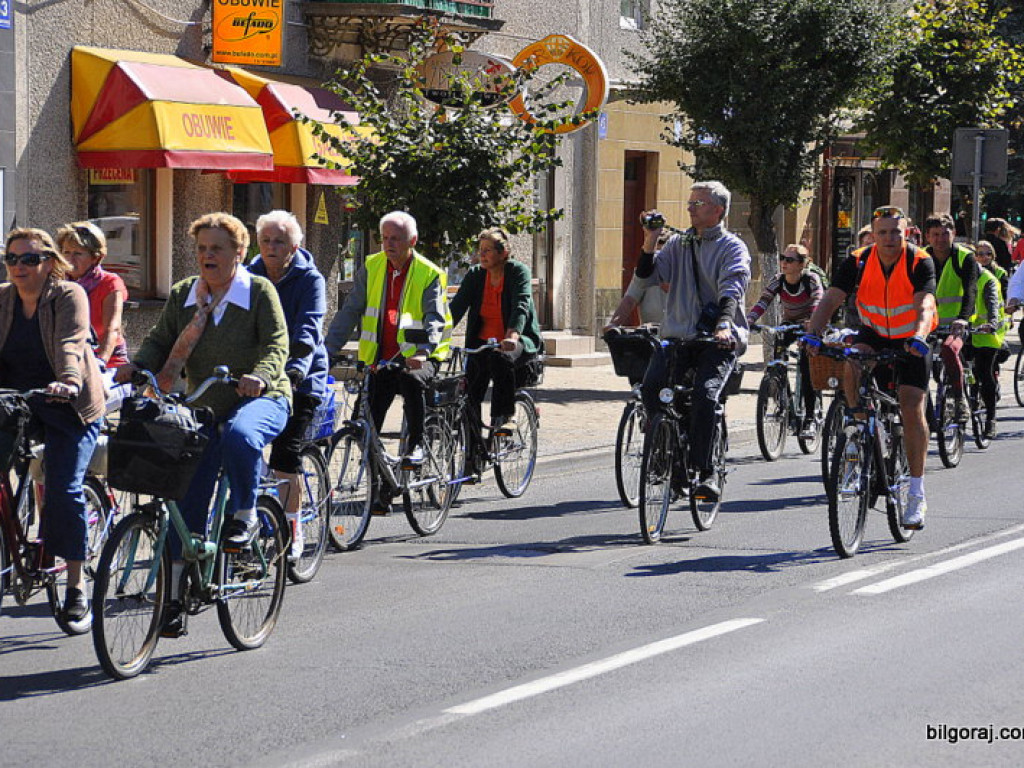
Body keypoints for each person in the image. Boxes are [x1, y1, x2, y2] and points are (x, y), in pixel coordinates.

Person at [115, 212, 290, 636]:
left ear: (239, 252)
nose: (207, 256)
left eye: (217, 249)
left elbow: (277, 344)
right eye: (201, 249)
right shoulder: (184, 294)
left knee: (241, 436)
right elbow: (160, 339)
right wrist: (137, 366)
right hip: (204, 405)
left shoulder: (258, 292)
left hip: (262, 397)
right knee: (184, 499)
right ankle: (174, 598)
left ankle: (245, 514)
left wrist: (260, 375)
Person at [804, 206, 937, 530]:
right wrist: (813, 333)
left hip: (911, 338)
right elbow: (831, 299)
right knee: (853, 361)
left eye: (896, 232)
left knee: (910, 406)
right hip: (874, 333)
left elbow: (925, 304)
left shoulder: (919, 261)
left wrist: (920, 336)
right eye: (883, 232)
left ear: (907, 233)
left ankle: (916, 493)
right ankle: (859, 430)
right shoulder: (858, 260)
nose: (890, 238)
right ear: (873, 235)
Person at [0, 228, 107, 621]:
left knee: (63, 489)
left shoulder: (67, 294)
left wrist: (69, 380)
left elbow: (70, 342)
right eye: (12, 259)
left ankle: (76, 585)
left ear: (48, 263)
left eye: (29, 259)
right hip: (17, 403)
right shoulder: (3, 298)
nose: (19, 266)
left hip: (67, 405)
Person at [622, 181, 751, 501]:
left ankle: (705, 473)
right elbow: (647, 276)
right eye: (690, 202)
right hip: (678, 336)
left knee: (705, 396)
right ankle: (668, 457)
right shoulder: (679, 244)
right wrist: (650, 240)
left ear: (717, 210)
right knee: (651, 389)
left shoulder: (732, 247)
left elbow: (731, 291)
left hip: (716, 340)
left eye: (698, 203)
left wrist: (724, 326)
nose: (690, 208)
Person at [325, 211, 452, 511]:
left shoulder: (428, 272)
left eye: (395, 238)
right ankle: (382, 487)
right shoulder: (372, 267)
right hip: (381, 360)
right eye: (384, 238)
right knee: (365, 424)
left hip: (420, 357)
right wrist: (326, 350)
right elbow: (350, 311)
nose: (388, 244)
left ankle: (416, 446)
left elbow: (434, 318)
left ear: (412, 241)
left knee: (411, 382)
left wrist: (423, 352)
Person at [248, 210, 328, 560]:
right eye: (265, 241)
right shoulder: (248, 276)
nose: (271, 247)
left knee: (285, 452)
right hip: (257, 376)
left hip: (302, 377)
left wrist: (295, 371)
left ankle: (293, 530)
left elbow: (308, 330)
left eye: (279, 241)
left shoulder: (310, 280)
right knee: (234, 442)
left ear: (294, 246)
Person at [449, 227, 544, 443]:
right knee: (470, 395)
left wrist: (512, 336)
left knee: (500, 358)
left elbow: (521, 305)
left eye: (488, 250)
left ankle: (506, 417)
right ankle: (473, 453)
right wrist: (435, 336)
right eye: (480, 250)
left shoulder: (517, 272)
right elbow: (456, 308)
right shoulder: (476, 275)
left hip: (516, 342)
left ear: (503, 253)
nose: (481, 255)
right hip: (482, 343)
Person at [745, 243, 823, 436]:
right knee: (778, 358)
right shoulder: (778, 280)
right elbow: (763, 301)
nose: (784, 263)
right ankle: (784, 401)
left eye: (789, 260)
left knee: (806, 367)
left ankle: (810, 418)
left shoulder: (811, 279)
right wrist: (750, 320)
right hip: (789, 324)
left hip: (809, 325)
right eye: (782, 258)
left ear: (801, 264)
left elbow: (818, 300)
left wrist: (812, 322)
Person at [923, 213, 978, 421]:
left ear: (953, 234)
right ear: (927, 236)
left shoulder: (964, 257)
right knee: (916, 360)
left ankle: (959, 398)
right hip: (927, 324)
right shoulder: (920, 257)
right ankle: (926, 413)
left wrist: (963, 318)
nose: (940, 239)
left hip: (956, 324)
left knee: (949, 349)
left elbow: (971, 290)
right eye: (935, 234)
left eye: (945, 234)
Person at [54, 221, 129, 368]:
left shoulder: (109, 283)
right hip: (67, 359)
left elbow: (112, 329)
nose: (70, 259)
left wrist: (100, 362)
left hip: (107, 362)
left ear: (95, 257)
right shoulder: (57, 283)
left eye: (78, 253)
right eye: (66, 252)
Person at [964, 247, 1006, 439]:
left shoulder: (987, 279)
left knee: (983, 372)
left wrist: (992, 323)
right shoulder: (957, 277)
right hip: (964, 333)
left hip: (986, 334)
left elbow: (992, 304)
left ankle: (990, 418)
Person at [607, 232, 672, 328]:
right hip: (652, 332)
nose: (658, 258)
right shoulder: (646, 271)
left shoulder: (685, 271)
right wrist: (613, 324)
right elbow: (629, 300)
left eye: (663, 255)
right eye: (654, 254)